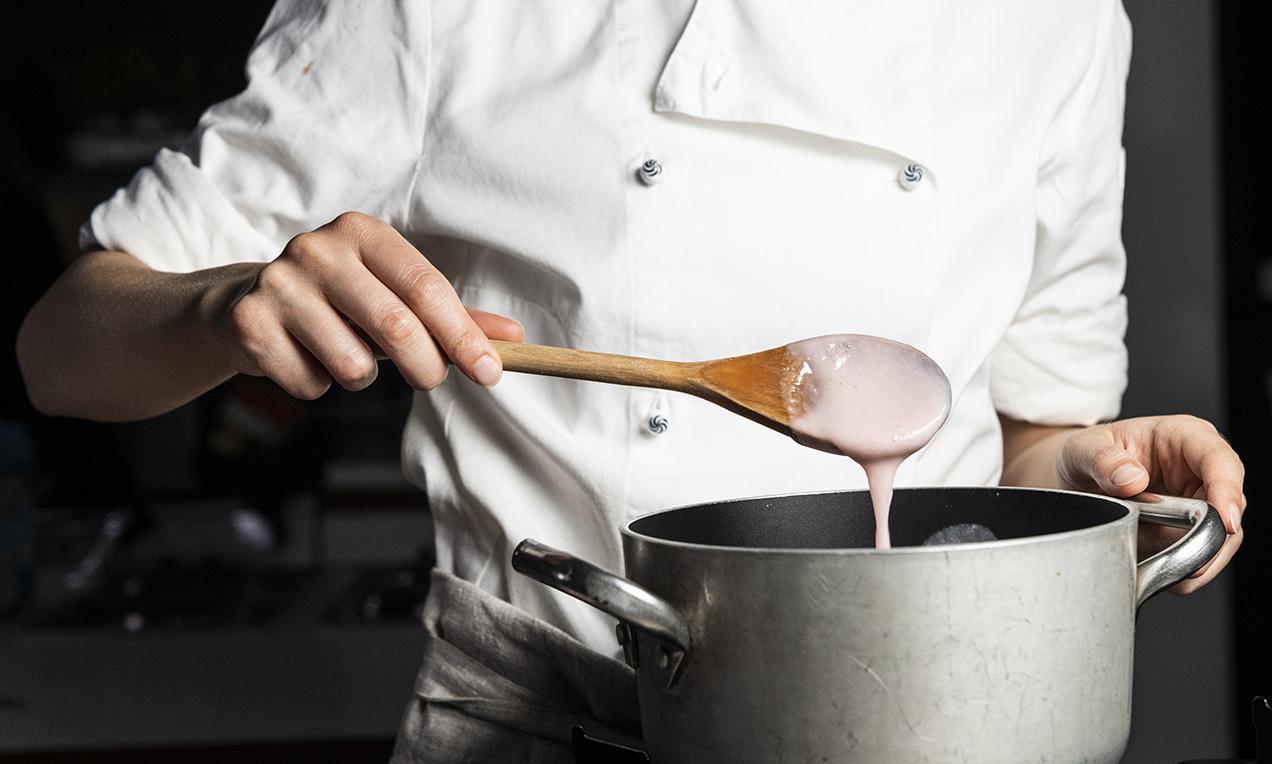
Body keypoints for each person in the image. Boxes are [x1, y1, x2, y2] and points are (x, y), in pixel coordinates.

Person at [15, 0, 1246, 761]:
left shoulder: (1060, 20)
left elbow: (1035, 443)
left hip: (932, 725)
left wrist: (1092, 478)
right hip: (545, 718)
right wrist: (221, 308)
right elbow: (60, 348)